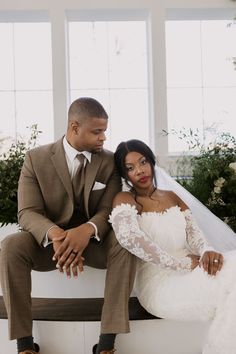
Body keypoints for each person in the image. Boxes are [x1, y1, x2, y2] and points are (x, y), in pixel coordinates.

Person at [0, 98, 136, 354]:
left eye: (105, 131)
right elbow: (27, 212)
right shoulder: (36, 159)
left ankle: (106, 345)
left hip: (93, 243)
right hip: (51, 245)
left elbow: (109, 210)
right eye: (97, 131)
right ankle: (25, 345)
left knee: (124, 243)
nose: (103, 138)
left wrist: (86, 231)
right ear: (74, 127)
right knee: (11, 246)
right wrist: (57, 235)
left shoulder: (108, 162)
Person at [109, 139, 236, 354]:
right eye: (130, 168)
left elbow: (195, 236)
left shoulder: (172, 197)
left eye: (143, 162)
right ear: (124, 175)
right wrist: (181, 264)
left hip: (191, 270)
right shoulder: (125, 199)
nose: (139, 171)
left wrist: (206, 251)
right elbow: (129, 238)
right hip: (158, 284)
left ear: (151, 161)